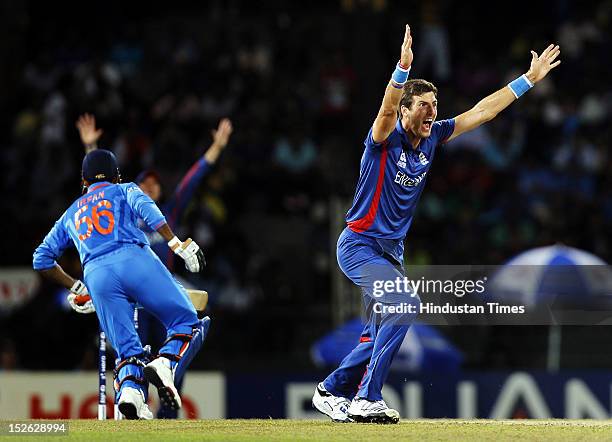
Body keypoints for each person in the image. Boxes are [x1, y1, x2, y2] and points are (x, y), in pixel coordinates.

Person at [312, 24, 561, 424]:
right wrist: (401, 70)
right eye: (424, 105)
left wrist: (528, 80)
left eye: (435, 103)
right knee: (405, 304)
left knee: (378, 333)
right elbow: (385, 110)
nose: (433, 111)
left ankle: (331, 391)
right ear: (406, 111)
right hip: (359, 244)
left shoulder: (433, 138)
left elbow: (483, 111)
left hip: (391, 253)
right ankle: (366, 398)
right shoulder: (383, 139)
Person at [33, 149, 210, 420]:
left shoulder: (70, 213)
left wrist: (77, 287)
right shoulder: (124, 189)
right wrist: (176, 243)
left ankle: (131, 395)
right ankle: (166, 363)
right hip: (134, 260)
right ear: (117, 176)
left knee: (128, 351)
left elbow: (41, 259)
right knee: (188, 322)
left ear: (84, 181)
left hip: (96, 276)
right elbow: (146, 207)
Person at [76, 113, 232, 418]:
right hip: (131, 290)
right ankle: (135, 402)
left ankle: (170, 405)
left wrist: (216, 148)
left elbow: (193, 178)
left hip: (162, 286)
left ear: (160, 191)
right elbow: (96, 191)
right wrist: (91, 150)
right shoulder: (122, 211)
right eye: (143, 184)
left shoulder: (169, 211)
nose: (148, 189)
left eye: (154, 185)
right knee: (136, 349)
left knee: (175, 347)